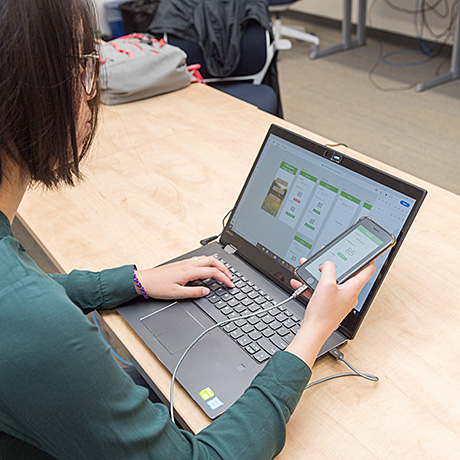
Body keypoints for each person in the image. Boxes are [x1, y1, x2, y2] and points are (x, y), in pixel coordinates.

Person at [0, 1, 375, 459]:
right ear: (32, 90)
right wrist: (309, 336)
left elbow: (26, 295)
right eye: (88, 66)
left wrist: (133, 281)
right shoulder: (32, 323)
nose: (93, 90)